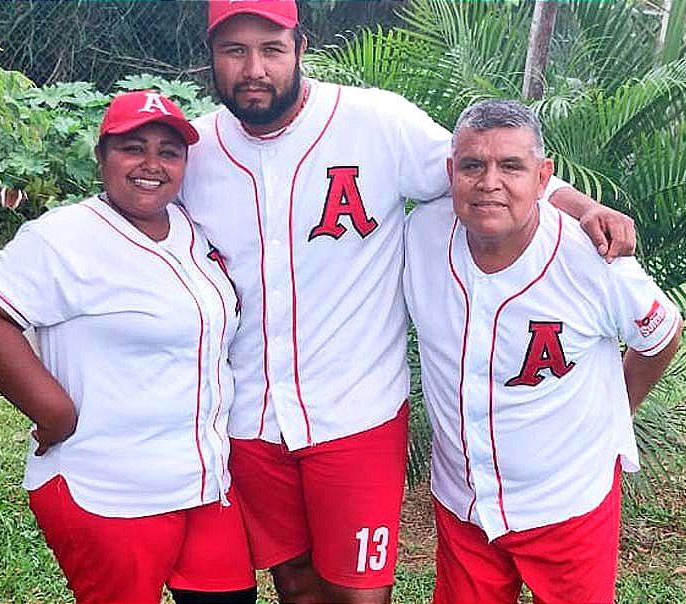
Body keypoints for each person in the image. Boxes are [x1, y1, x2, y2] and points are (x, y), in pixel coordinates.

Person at [181, 2, 637, 602]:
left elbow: (486, 169)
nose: (254, 68)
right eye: (234, 51)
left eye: (270, 48)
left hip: (356, 411)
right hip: (250, 414)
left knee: (361, 594)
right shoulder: (197, 153)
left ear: (300, 45)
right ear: (211, 57)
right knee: (294, 582)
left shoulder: (375, 122)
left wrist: (583, 208)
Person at [0, 90, 256, 604]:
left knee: (229, 596)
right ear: (101, 156)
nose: (152, 165)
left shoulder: (192, 230)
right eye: (133, 148)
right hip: (108, 487)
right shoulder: (63, 237)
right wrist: (54, 414)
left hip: (203, 482)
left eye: (169, 151)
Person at [404, 99, 683, 604]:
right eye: (473, 165)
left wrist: (616, 407)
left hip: (567, 501)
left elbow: (661, 335)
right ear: (451, 173)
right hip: (464, 502)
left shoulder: (595, 260)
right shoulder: (420, 235)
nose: (490, 181)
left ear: (542, 177)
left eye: (511, 166)